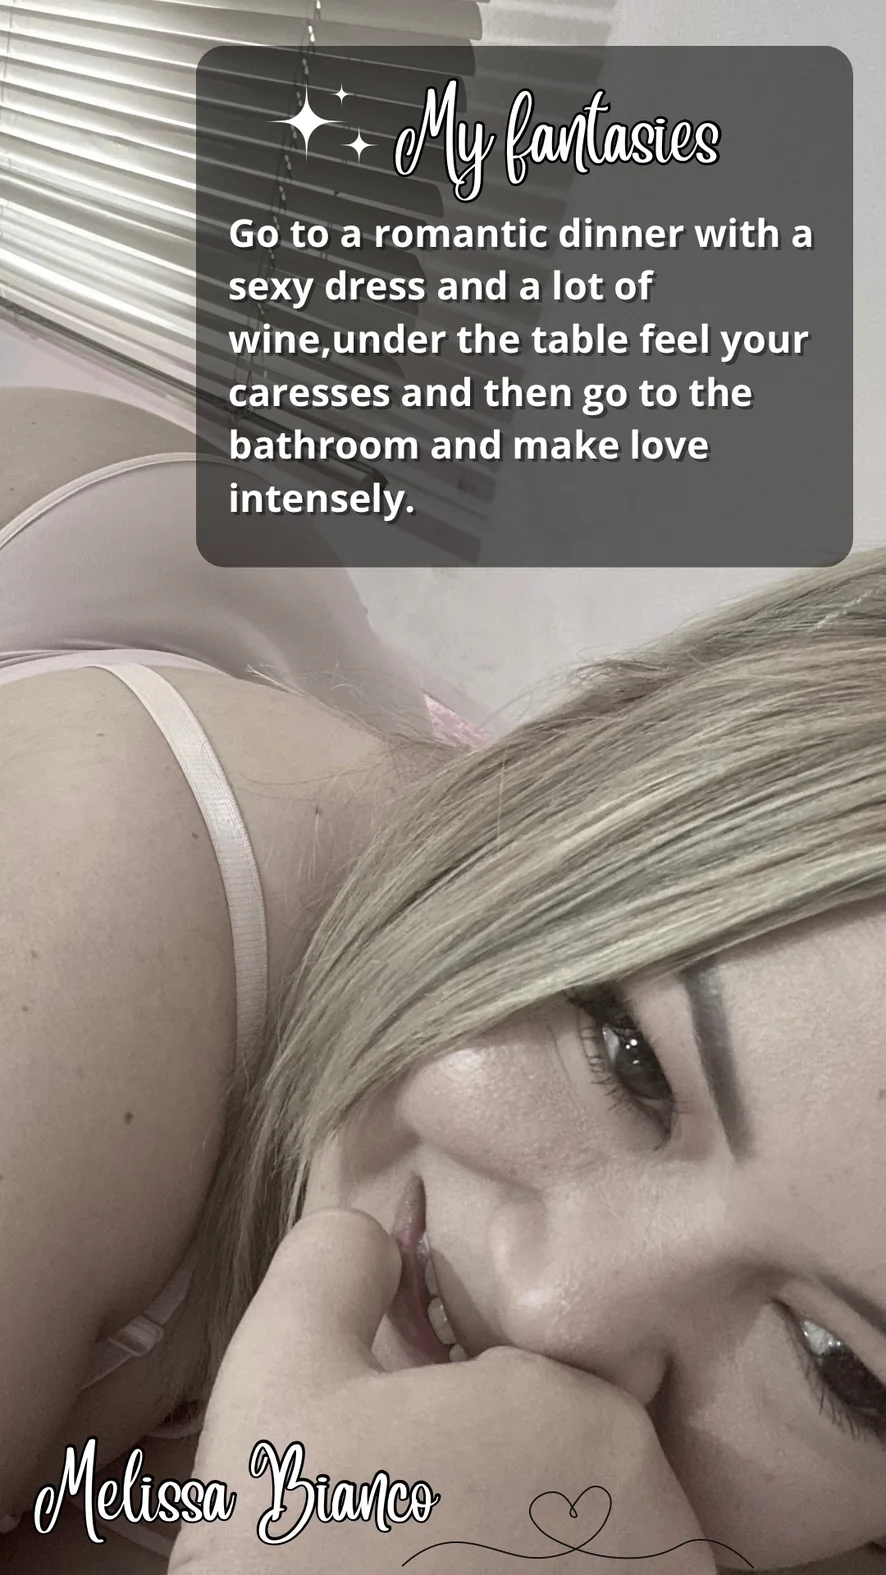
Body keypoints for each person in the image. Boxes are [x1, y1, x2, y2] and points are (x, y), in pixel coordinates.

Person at [0, 391, 885, 1574]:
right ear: (565, 782)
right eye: (629, 1063)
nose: (559, 1309)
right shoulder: (84, 930)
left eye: (840, 1367)